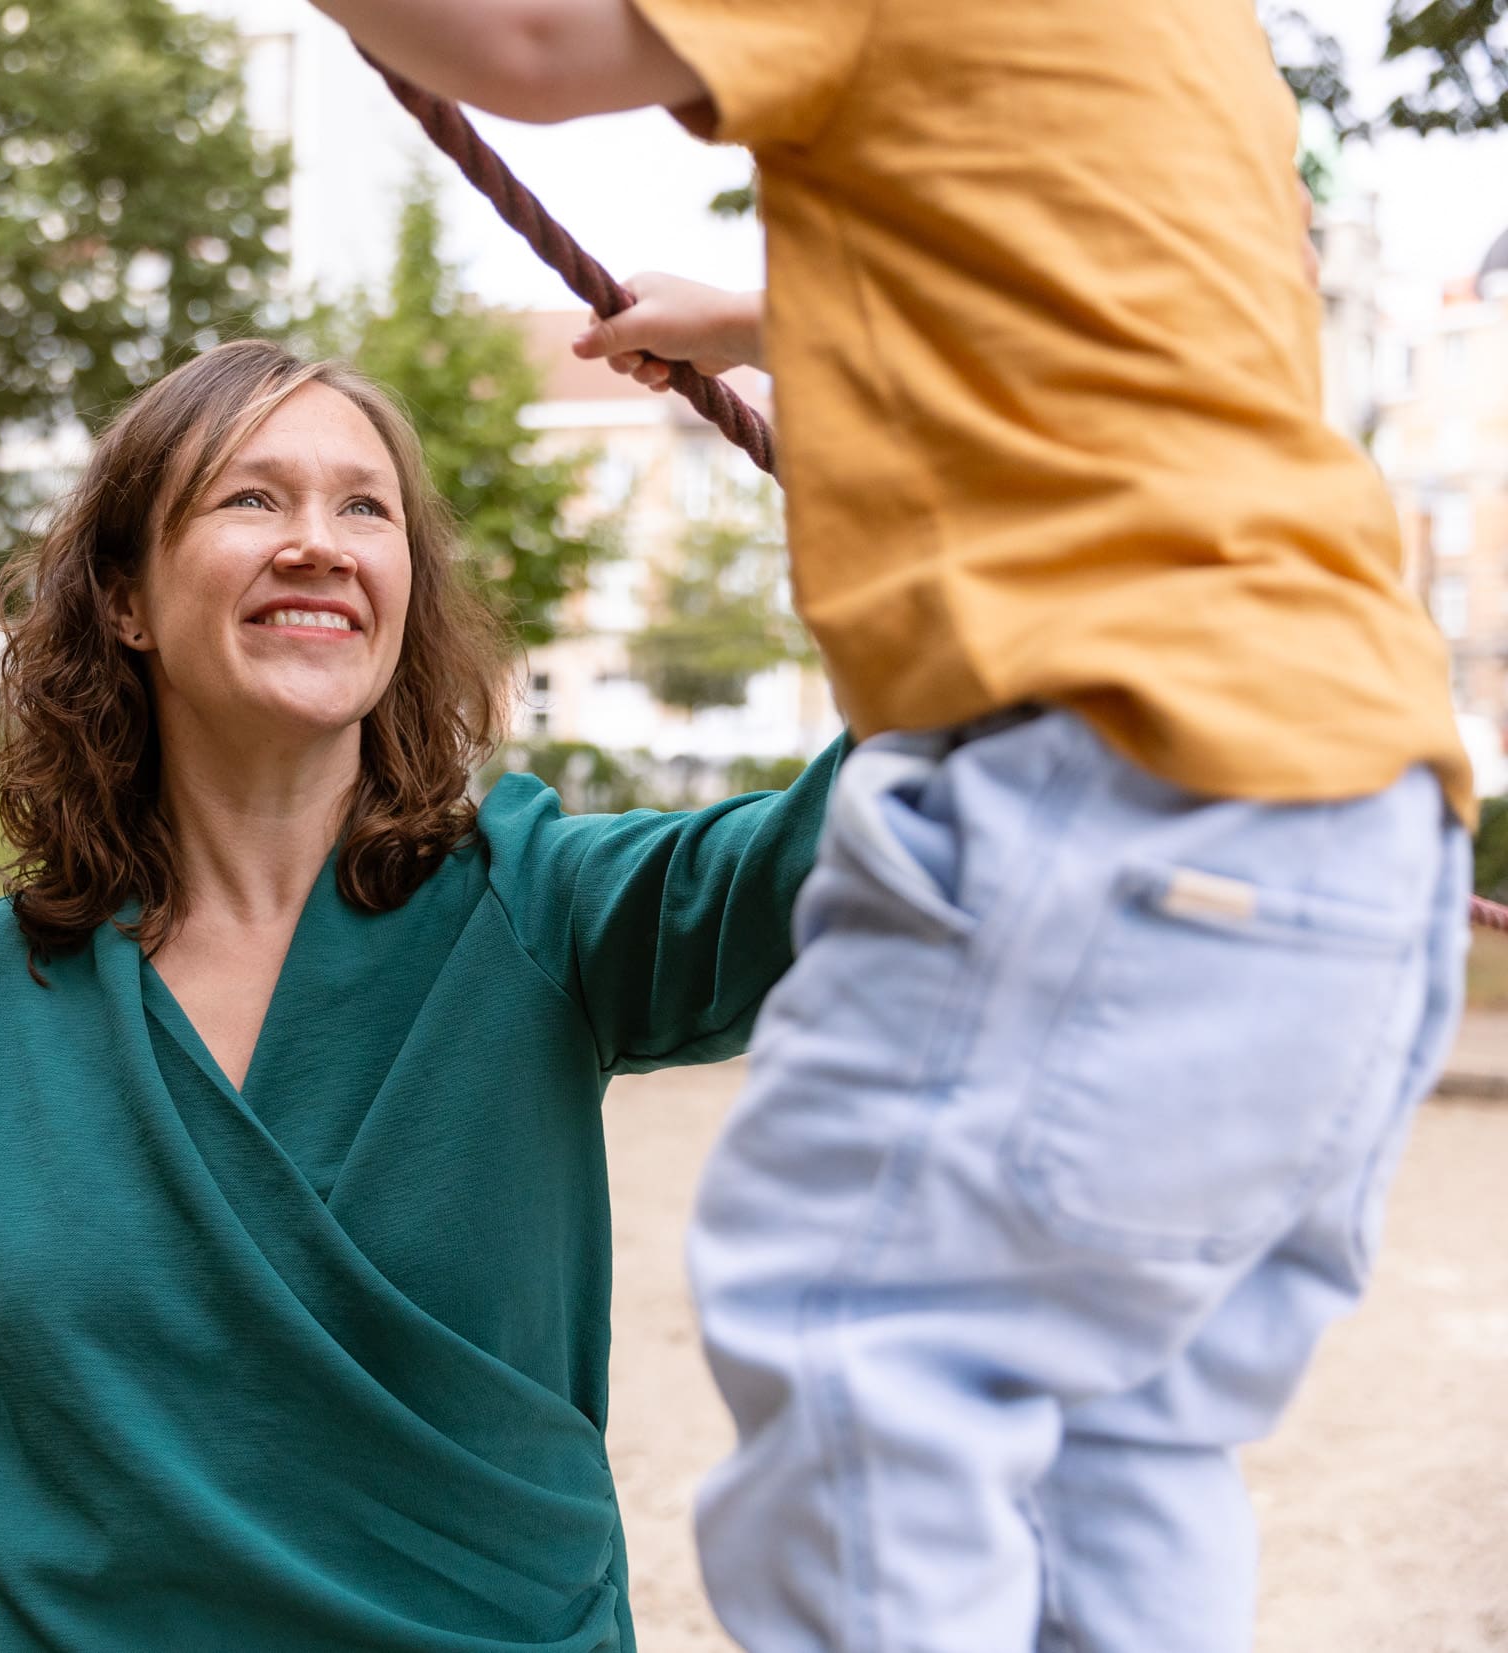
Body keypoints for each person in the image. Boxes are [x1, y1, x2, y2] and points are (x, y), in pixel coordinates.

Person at [305, 6, 1472, 1652]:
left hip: (1118, 777)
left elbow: (527, 36)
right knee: (1113, 1434)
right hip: (1353, 822)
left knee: (862, 1335)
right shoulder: (1203, 38)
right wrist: (778, 320)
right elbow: (1094, 286)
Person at [0, 339, 843, 1651]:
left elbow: (915, 809)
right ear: (124, 596)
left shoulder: (549, 911)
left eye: (364, 507)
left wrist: (840, 390)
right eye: (251, 498)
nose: (319, 543)